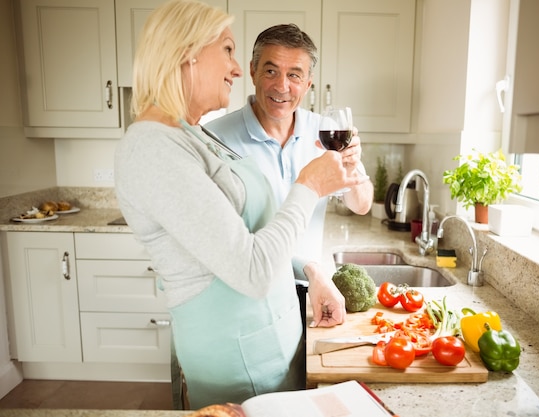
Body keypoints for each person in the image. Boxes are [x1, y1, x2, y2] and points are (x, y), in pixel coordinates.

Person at [114, 0, 363, 409]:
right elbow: (252, 271)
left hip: (270, 349)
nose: (235, 68)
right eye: (228, 50)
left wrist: (313, 271)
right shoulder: (152, 148)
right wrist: (309, 185)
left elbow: (248, 236)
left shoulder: (188, 135)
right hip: (239, 364)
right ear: (186, 55)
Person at [205, 24, 374, 327]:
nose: (282, 86)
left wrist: (350, 168)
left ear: (309, 83)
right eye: (271, 71)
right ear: (253, 70)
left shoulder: (326, 131)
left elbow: (362, 205)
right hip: (247, 299)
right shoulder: (216, 140)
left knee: (307, 374)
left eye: (294, 75)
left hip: (313, 293)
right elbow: (226, 242)